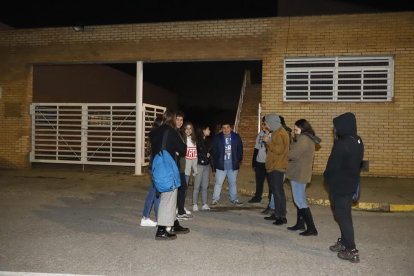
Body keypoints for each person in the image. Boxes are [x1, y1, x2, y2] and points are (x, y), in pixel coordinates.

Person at [324, 112, 364, 263]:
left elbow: (332, 166)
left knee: (344, 217)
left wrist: (327, 178)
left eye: (336, 127)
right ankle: (344, 242)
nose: (335, 130)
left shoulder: (342, 143)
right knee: (341, 215)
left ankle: (352, 250)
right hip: (350, 183)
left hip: (340, 185)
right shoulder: (357, 140)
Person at [149, 109, 189, 240]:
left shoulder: (156, 132)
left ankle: (173, 224)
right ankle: (161, 229)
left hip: (158, 169)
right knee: (168, 199)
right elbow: (183, 150)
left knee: (170, 197)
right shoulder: (171, 132)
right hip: (168, 170)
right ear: (172, 119)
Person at [286, 119, 321, 236]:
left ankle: (312, 228)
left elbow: (292, 154)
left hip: (299, 173)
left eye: (296, 130)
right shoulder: (307, 138)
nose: (295, 132)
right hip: (300, 172)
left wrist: (290, 147)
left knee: (299, 201)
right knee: (299, 199)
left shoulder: (303, 139)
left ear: (303, 129)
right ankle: (300, 224)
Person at [262, 114, 290, 225]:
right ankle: (277, 213)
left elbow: (278, 149)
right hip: (274, 166)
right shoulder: (276, 132)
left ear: (272, 122)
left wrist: (268, 141)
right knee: (275, 192)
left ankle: (282, 217)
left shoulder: (280, 133)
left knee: (278, 192)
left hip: (277, 167)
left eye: (266, 123)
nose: (266, 125)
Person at [211, 123, 244, 206]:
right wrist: (217, 162)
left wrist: (238, 159)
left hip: (233, 165)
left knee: (233, 183)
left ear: (231, 128)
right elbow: (214, 151)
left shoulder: (236, 137)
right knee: (218, 183)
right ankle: (215, 199)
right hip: (221, 165)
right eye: (224, 128)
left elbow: (240, 148)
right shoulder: (217, 137)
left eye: (227, 127)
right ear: (222, 129)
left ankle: (234, 199)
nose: (226, 129)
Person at [141, 116, 162, 227]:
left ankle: (146, 217)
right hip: (155, 168)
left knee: (153, 194)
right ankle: (156, 219)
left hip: (153, 167)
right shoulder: (157, 136)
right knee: (156, 195)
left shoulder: (153, 135)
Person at [249, 117, 271, 205]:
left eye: (264, 124)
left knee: (271, 182)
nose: (263, 126)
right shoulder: (260, 134)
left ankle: (271, 199)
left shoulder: (273, 135)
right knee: (259, 181)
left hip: (268, 162)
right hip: (259, 162)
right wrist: (254, 160)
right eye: (262, 124)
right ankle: (257, 197)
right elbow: (256, 147)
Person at [175, 111, 193, 220]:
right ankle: (176, 213)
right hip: (175, 166)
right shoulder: (174, 132)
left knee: (182, 189)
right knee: (176, 190)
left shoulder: (179, 132)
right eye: (177, 119)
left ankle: (180, 211)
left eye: (181, 120)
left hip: (181, 166)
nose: (180, 122)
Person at [192, 125, 212, 211]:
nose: (209, 131)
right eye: (208, 129)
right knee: (197, 185)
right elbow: (196, 153)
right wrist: (205, 155)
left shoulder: (207, 140)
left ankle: (204, 204)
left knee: (205, 185)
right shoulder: (196, 141)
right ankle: (195, 204)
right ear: (203, 130)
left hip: (207, 165)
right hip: (199, 164)